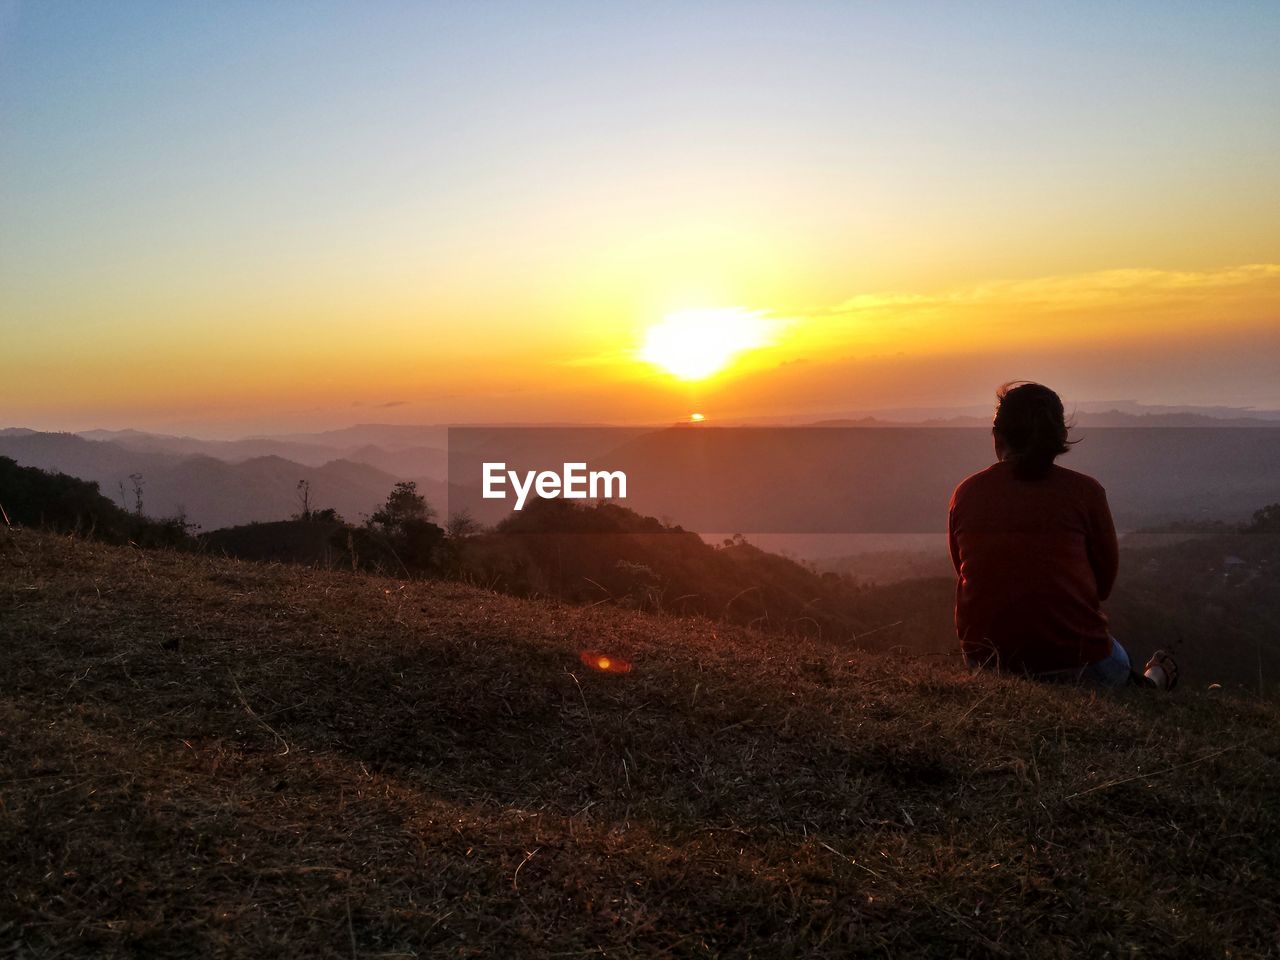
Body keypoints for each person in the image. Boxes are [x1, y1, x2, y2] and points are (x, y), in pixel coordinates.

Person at [947, 382, 1177, 689]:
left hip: (987, 664)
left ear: (997, 435)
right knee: (1121, 665)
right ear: (1060, 437)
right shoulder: (1086, 493)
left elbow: (964, 572)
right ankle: (1155, 679)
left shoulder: (967, 493)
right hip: (1078, 662)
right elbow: (1103, 585)